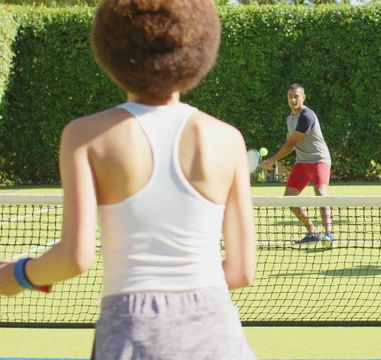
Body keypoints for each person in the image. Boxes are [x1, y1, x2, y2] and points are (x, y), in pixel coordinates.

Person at [0, 0, 258, 358]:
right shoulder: (228, 139)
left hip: (130, 329)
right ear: (199, 47)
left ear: (112, 48)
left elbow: (75, 257)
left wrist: (15, 276)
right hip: (218, 334)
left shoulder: (84, 135)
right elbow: (242, 271)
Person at [261, 84, 333, 248]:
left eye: (296, 96)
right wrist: (273, 160)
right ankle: (313, 232)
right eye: (290, 97)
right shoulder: (289, 117)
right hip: (302, 162)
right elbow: (291, 143)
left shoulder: (307, 116)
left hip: (319, 160)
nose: (293, 100)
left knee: (321, 193)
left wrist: (272, 160)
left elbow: (291, 142)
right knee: (290, 199)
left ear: (303, 97)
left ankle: (329, 235)